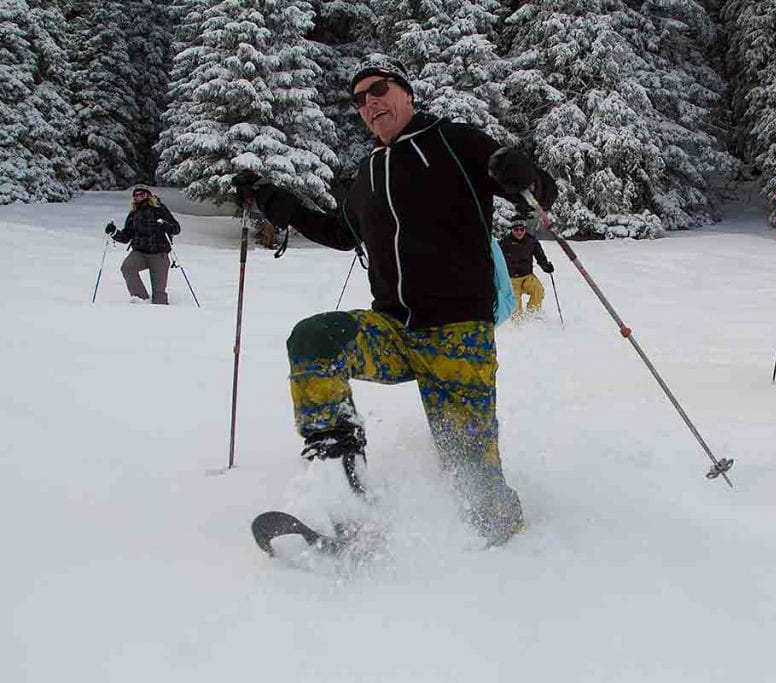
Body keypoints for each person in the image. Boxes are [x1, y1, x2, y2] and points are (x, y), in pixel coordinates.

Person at [232, 55, 557, 546]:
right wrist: (270, 198)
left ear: (406, 93)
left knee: (475, 482)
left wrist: (524, 173)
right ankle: (342, 498)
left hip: (457, 338)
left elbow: (532, 193)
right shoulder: (368, 171)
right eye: (359, 99)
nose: (369, 103)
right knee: (316, 339)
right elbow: (339, 232)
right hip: (393, 332)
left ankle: (511, 555)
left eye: (379, 89)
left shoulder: (454, 141)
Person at [104, 185, 181, 305]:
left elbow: (176, 229)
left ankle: (161, 313)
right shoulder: (134, 214)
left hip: (159, 254)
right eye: (136, 195)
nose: (139, 197)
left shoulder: (159, 209)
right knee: (127, 267)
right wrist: (114, 232)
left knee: (159, 296)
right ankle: (141, 301)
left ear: (148, 195)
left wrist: (166, 226)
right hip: (140, 253)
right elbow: (126, 236)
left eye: (142, 194)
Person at [499, 219, 554, 320]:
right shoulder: (504, 243)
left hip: (527, 277)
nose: (519, 232)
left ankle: (532, 316)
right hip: (512, 280)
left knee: (538, 290)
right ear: (512, 230)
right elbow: (496, 260)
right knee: (515, 307)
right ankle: (517, 326)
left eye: (521, 229)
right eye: (516, 230)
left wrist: (546, 266)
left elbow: (540, 256)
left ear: (525, 229)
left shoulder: (531, 241)